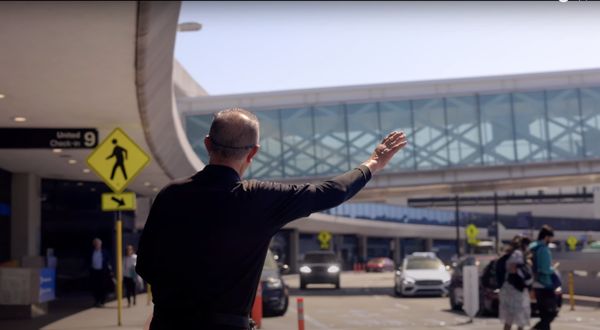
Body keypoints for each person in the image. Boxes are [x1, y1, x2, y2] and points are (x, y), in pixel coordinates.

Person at [136, 108, 407, 330]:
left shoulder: (170, 195)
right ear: (253, 153)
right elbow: (331, 191)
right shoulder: (259, 198)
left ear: (207, 144)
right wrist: (373, 162)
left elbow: (145, 266)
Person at [498, 236, 532, 330]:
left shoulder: (512, 253)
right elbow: (512, 268)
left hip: (508, 288)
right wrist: (523, 273)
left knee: (509, 318)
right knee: (520, 318)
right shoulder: (518, 254)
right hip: (515, 290)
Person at [530, 225, 557, 330]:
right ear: (546, 237)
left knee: (543, 314)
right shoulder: (543, 249)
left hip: (535, 283)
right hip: (545, 284)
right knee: (550, 314)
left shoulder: (533, 246)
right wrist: (553, 269)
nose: (551, 240)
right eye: (551, 237)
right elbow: (545, 269)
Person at [90, 238, 112, 307]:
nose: (97, 245)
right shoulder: (91, 252)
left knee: (103, 287)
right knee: (95, 287)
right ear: (94, 245)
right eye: (95, 244)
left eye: (98, 244)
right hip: (94, 272)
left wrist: (110, 271)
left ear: (100, 244)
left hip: (103, 272)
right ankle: (96, 301)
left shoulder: (104, 252)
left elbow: (109, 262)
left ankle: (102, 301)